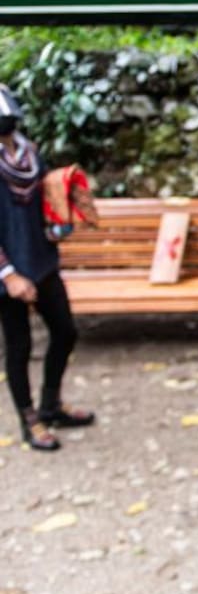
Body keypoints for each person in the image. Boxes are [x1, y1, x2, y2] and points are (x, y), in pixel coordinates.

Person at [0, 84, 94, 452]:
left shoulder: (29, 154)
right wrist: (9, 275)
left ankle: (51, 404)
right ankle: (29, 419)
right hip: (9, 272)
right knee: (19, 346)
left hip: (41, 260)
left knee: (66, 331)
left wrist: (64, 216)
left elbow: (43, 201)